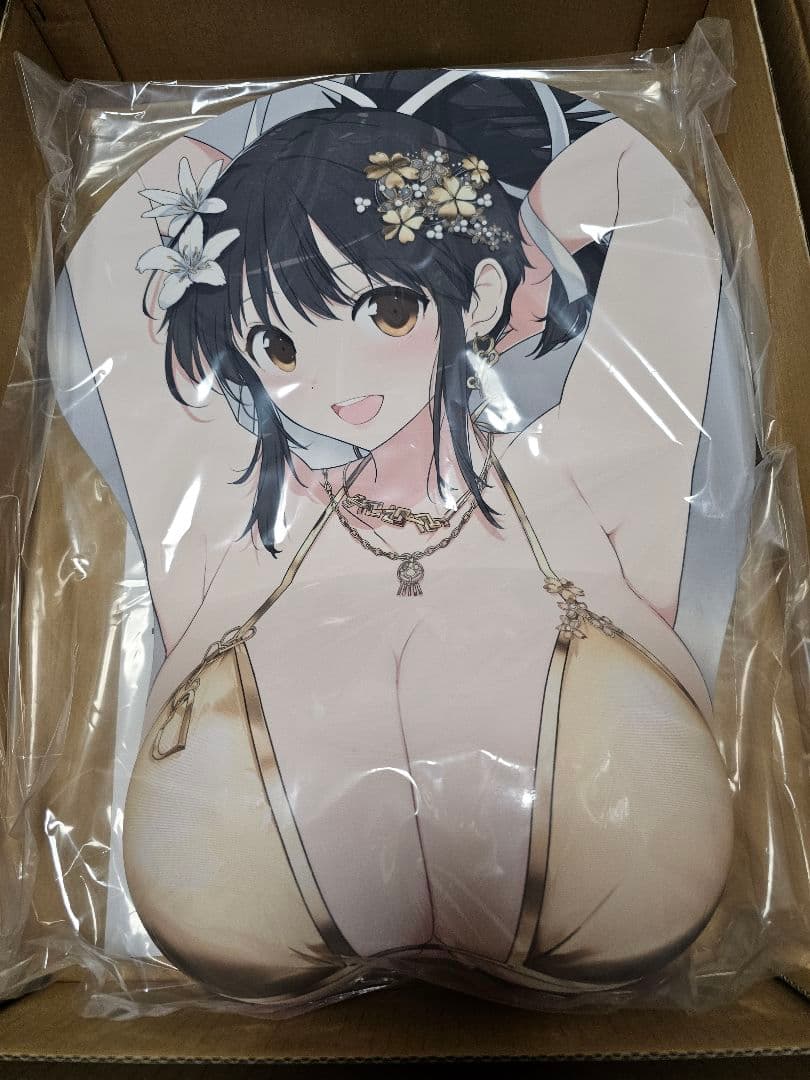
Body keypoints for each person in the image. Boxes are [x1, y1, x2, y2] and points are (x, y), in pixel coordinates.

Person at [64, 72, 735, 1001]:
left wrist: (532, 235)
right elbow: (140, 202)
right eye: (279, 346)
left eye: (388, 311)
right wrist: (279, 199)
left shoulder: (579, 474)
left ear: (482, 292)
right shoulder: (239, 515)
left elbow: (634, 174)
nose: (339, 385)